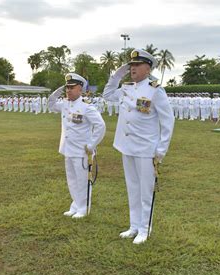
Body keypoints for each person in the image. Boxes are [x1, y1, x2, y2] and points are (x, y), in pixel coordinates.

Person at [103, 49, 174, 244]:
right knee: (132, 187)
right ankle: (134, 226)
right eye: (131, 65)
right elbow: (107, 94)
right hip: (127, 146)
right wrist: (117, 74)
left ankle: (145, 228)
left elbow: (168, 121)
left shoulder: (155, 89)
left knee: (145, 189)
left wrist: (161, 149)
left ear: (147, 68)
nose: (132, 68)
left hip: (146, 147)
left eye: (136, 65)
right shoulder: (126, 88)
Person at [48, 73, 106, 219]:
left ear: (80, 89)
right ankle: (75, 205)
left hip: (82, 151)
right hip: (68, 149)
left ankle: (83, 208)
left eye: (71, 87)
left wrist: (91, 145)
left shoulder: (86, 106)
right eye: (67, 87)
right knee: (72, 180)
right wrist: (59, 90)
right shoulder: (65, 104)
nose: (68, 90)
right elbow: (50, 105)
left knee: (82, 181)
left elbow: (100, 125)